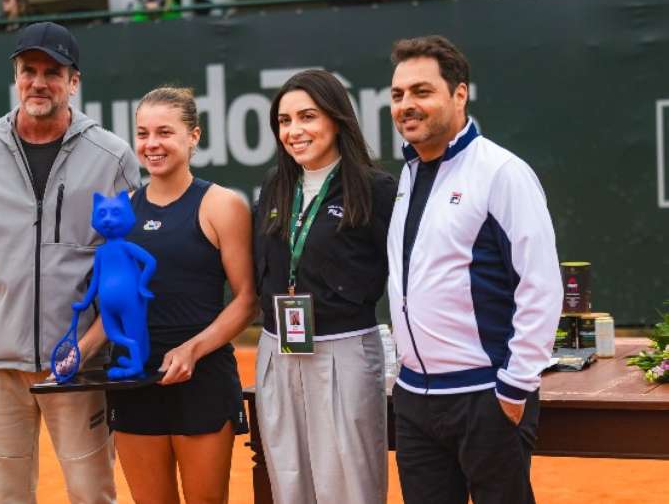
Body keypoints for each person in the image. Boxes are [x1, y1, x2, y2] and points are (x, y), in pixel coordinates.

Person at [0, 22, 140, 503]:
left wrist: (92, 349)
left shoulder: (113, 158)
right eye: (29, 71)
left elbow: (129, 266)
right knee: (8, 497)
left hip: (80, 368)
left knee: (92, 494)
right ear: (16, 76)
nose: (39, 82)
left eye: (53, 71)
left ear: (74, 81)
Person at [386, 35, 563, 504]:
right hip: (413, 398)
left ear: (459, 94)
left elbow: (541, 284)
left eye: (422, 91)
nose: (407, 104)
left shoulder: (502, 172)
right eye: (398, 94)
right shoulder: (406, 175)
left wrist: (515, 386)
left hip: (485, 396)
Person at [79, 86, 256, 503]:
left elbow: (248, 299)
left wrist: (192, 350)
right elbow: (116, 309)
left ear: (193, 137)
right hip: (134, 381)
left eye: (165, 132)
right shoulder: (121, 211)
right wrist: (79, 351)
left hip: (203, 381)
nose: (151, 144)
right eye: (142, 134)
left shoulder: (222, 205)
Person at [253, 69, 397, 504]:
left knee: (349, 485)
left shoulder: (375, 188)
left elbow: (408, 275)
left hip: (345, 349)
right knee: (290, 482)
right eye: (284, 121)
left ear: (336, 119)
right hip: (277, 349)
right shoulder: (275, 187)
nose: (294, 131)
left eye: (307, 117)